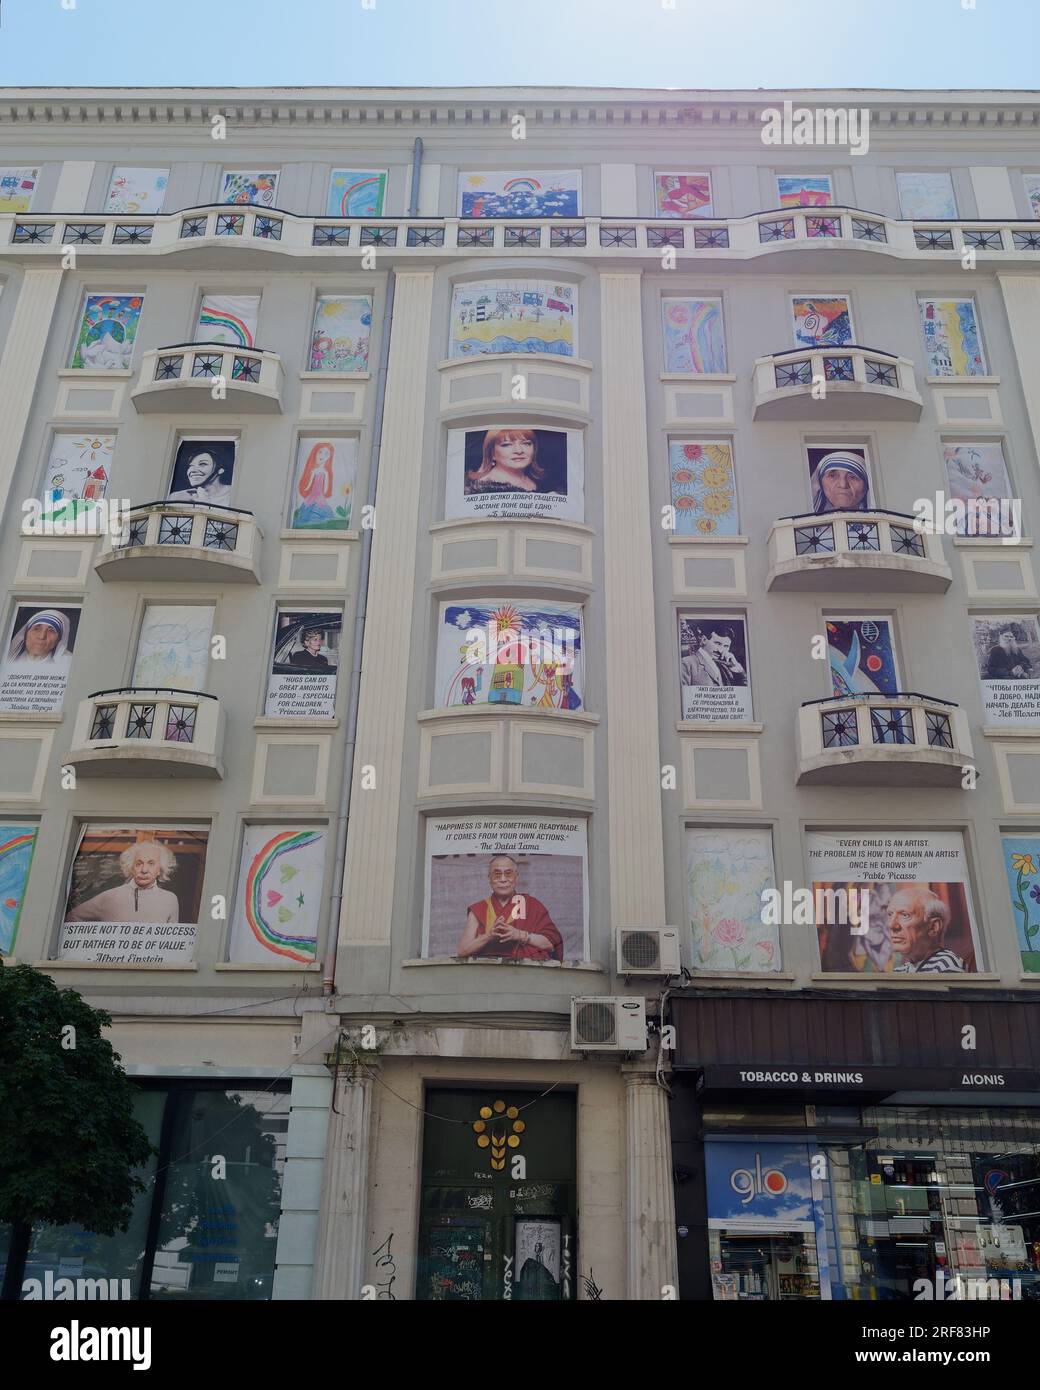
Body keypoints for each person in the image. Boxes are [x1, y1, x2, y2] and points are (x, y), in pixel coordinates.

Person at [457, 855, 564, 961]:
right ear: (489, 878)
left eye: (508, 874)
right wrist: (489, 935)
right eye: (497, 874)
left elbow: (551, 944)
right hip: (489, 971)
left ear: (516, 877)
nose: (503, 879)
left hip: (525, 972)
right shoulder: (479, 909)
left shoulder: (531, 905)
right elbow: (462, 951)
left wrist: (519, 935)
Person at [65, 840, 180, 924]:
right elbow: (71, 917)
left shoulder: (170, 899)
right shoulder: (110, 897)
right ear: (131, 867)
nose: (144, 870)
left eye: (151, 863)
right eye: (139, 863)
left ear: (160, 869)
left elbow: (172, 943)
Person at [887, 886, 965, 974]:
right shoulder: (901, 971)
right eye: (890, 914)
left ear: (933, 927)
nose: (892, 925)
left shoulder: (946, 966)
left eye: (905, 915)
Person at [466, 428, 545, 495]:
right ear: (492, 453)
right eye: (507, 445)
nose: (519, 450)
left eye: (526, 443)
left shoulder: (538, 480)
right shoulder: (483, 489)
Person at [680, 627, 746, 688]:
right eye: (717, 643)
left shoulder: (726, 665)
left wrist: (738, 669)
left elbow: (745, 691)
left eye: (726, 646)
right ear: (704, 640)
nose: (720, 650)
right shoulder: (686, 663)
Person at [5, 608, 73, 666]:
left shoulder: (67, 665)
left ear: (58, 640)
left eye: (51, 631)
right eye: (36, 629)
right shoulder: (7, 658)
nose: (42, 636)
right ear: (25, 634)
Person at [168, 448, 233, 505]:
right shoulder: (177, 497)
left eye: (202, 464)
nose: (192, 470)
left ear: (220, 470)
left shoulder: (232, 494)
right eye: (191, 466)